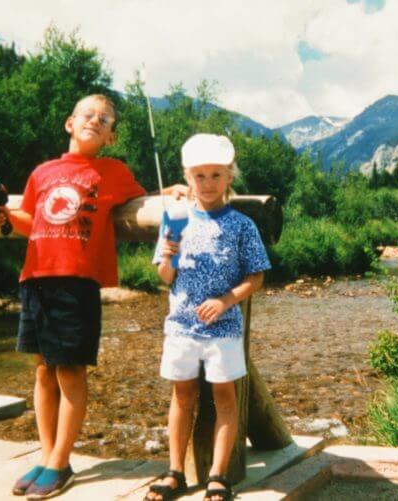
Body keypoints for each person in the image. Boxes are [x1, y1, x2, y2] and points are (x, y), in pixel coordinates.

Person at [0, 94, 184, 499]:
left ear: (111, 137)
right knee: (43, 370)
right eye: (88, 114)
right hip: (35, 276)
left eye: (105, 119)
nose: (96, 120)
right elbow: (29, 221)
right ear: (69, 123)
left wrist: (175, 191)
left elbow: (145, 199)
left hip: (77, 282)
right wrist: (4, 216)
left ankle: (60, 463)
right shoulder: (43, 172)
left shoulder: (113, 171)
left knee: (70, 371)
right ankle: (47, 456)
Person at [144, 133, 270, 501]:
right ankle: (175, 472)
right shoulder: (175, 219)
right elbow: (166, 277)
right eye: (200, 176)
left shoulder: (243, 226)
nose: (208, 183)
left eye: (216, 175)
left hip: (224, 327)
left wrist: (225, 301)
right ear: (188, 178)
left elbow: (256, 276)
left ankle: (218, 475)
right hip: (181, 325)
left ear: (230, 176)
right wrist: (167, 256)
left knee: (224, 398)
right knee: (181, 396)